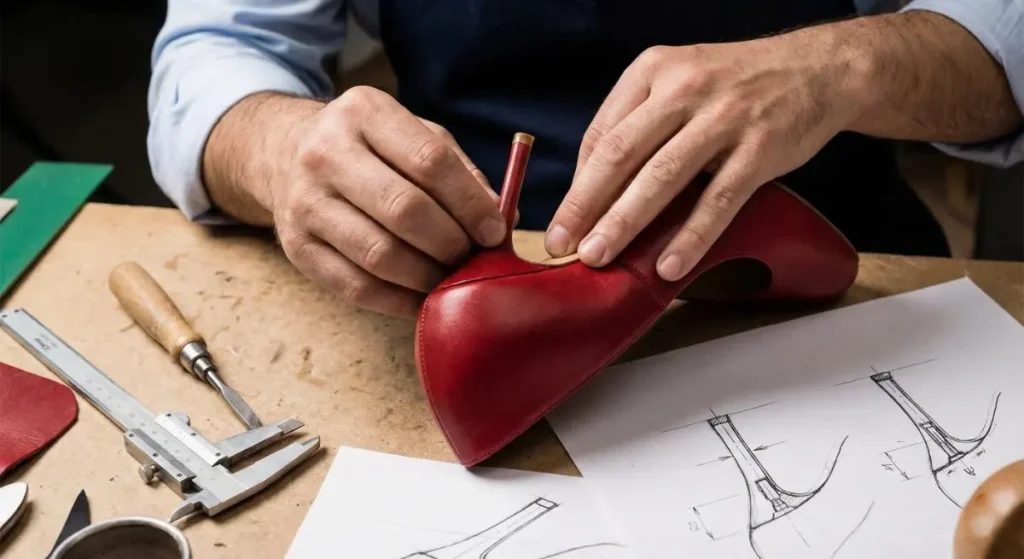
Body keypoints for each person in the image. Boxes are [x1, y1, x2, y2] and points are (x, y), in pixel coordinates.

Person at [148, 0, 1023, 319]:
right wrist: (281, 146)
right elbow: (214, 49)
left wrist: (850, 64)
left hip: (832, 269)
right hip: (469, 273)